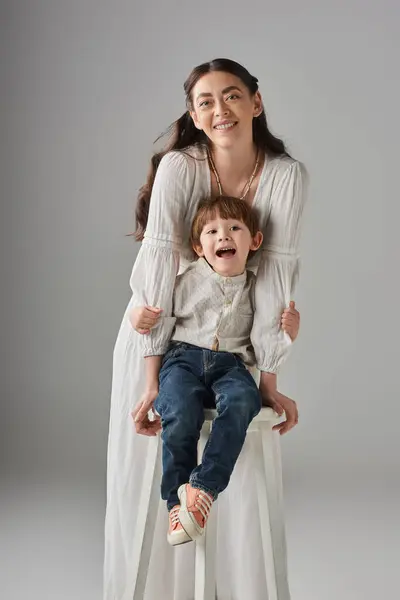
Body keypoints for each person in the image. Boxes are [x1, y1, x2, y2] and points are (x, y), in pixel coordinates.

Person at [104, 58, 307, 600]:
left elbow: (274, 280)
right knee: (174, 422)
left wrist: (269, 376)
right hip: (162, 337)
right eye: (206, 102)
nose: (221, 110)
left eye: (233, 95)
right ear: (194, 116)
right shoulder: (179, 166)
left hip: (239, 345)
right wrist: (150, 375)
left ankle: (208, 522)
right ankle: (174, 523)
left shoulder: (285, 176)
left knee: (237, 427)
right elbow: (158, 274)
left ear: (256, 102)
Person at [134, 195, 266, 547]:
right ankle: (176, 503)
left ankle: (203, 488)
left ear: (254, 241)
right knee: (179, 408)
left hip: (231, 365)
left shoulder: (257, 287)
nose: (224, 236)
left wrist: (290, 327)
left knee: (243, 401)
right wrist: (137, 316)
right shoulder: (187, 278)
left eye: (235, 228)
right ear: (198, 246)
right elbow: (154, 314)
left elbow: (270, 331)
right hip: (184, 360)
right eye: (212, 231)